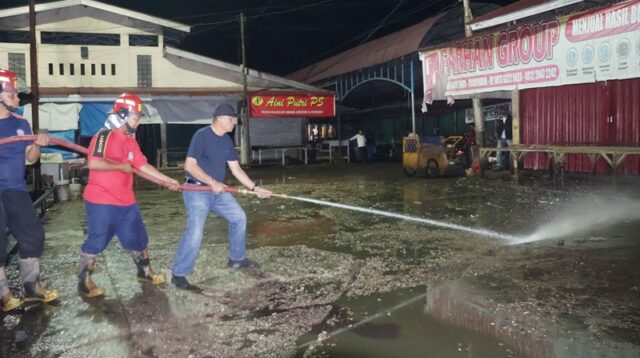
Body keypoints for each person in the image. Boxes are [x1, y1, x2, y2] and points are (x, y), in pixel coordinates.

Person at [77, 93, 180, 298]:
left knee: (139, 238)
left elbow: (143, 166)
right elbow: (93, 163)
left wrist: (168, 181)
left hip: (126, 200)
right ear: (122, 114)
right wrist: (121, 166)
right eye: (136, 116)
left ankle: (144, 272)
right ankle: (84, 280)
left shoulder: (131, 141)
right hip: (102, 200)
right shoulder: (104, 135)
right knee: (97, 241)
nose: (139, 121)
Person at [171, 103, 272, 290]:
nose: (234, 123)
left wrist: (255, 188)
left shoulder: (226, 140)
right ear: (221, 119)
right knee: (195, 232)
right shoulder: (201, 136)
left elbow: (236, 169)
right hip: (197, 191)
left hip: (217, 192)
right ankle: (179, 273)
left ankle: (236, 259)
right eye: (232, 119)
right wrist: (212, 182)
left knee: (239, 217)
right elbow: (190, 166)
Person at [0, 69, 59, 312]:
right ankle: (3, 294)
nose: (16, 98)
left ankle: (31, 286)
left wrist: (37, 143)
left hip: (15, 188)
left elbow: (31, 159)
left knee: (33, 236)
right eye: (12, 94)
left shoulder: (21, 123)